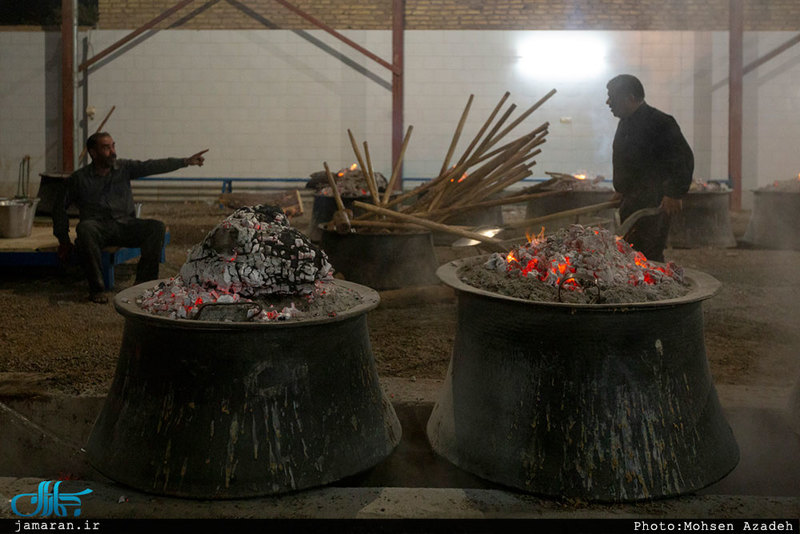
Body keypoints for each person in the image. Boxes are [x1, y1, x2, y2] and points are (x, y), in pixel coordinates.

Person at [53, 132, 208, 303]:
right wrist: (63, 239)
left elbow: (152, 166)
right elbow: (59, 207)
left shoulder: (123, 168)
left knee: (156, 227)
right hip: (98, 228)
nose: (113, 151)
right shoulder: (79, 178)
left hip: (125, 225)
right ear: (93, 152)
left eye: (113, 146)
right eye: (106, 147)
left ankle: (144, 285)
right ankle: (97, 289)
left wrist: (184, 162)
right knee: (85, 229)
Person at [606, 74, 694, 262]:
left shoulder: (661, 122)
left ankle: (654, 288)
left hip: (654, 202)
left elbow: (683, 158)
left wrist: (674, 193)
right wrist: (621, 189)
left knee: (648, 254)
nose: (608, 102)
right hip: (632, 200)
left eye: (612, 97)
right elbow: (630, 162)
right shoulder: (625, 123)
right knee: (628, 252)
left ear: (630, 98)